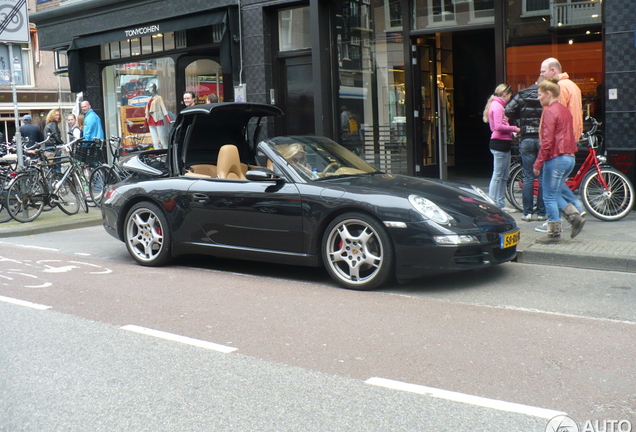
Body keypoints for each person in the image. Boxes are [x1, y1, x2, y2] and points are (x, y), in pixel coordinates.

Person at [533, 78, 585, 243]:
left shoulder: (550, 111)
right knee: (554, 193)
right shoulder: (564, 110)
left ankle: (554, 234)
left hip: (555, 158)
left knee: (548, 196)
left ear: (549, 94)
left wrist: (538, 163)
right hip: (569, 158)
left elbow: (547, 142)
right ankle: (574, 216)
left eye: (540, 94)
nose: (538, 98)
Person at [505, 77, 546, 222]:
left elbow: (508, 110)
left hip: (527, 137)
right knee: (541, 176)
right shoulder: (547, 93)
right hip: (542, 137)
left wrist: (521, 115)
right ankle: (542, 213)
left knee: (528, 176)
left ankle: (527, 213)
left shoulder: (522, 94)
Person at [483, 83, 520, 212]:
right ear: (505, 94)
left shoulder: (496, 105)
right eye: (509, 95)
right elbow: (498, 127)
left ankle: (500, 203)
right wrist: (515, 129)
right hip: (499, 143)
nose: (510, 98)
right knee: (499, 175)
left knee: (503, 175)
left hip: (502, 142)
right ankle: (494, 203)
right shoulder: (498, 107)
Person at [539, 57, 583, 144]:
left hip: (559, 141)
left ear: (553, 70)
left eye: (543, 71)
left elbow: (556, 116)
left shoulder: (557, 87)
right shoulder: (572, 85)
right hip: (569, 137)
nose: (541, 75)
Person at [144, 83, 172, 150]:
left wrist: (168, 119)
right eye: (149, 88)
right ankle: (156, 152)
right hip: (150, 120)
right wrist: (145, 121)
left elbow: (163, 108)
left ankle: (165, 150)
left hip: (158, 119)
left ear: (154, 88)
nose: (150, 89)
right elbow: (147, 111)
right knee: (154, 140)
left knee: (162, 138)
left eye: (151, 87)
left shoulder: (159, 98)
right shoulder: (149, 99)